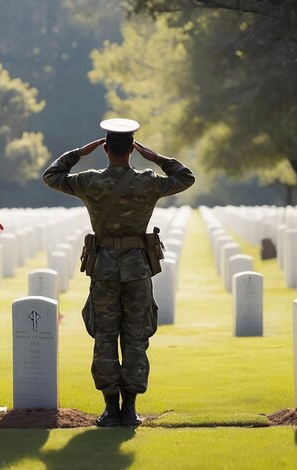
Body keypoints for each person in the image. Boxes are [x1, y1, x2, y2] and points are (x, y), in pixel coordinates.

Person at [42, 119, 195, 427]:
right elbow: (185, 177)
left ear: (106, 148)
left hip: (104, 271)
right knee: (136, 337)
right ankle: (131, 409)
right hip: (138, 269)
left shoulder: (90, 181)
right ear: (132, 150)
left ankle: (111, 408)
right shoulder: (149, 181)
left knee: (105, 336)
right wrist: (155, 158)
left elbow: (52, 176)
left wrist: (80, 153)